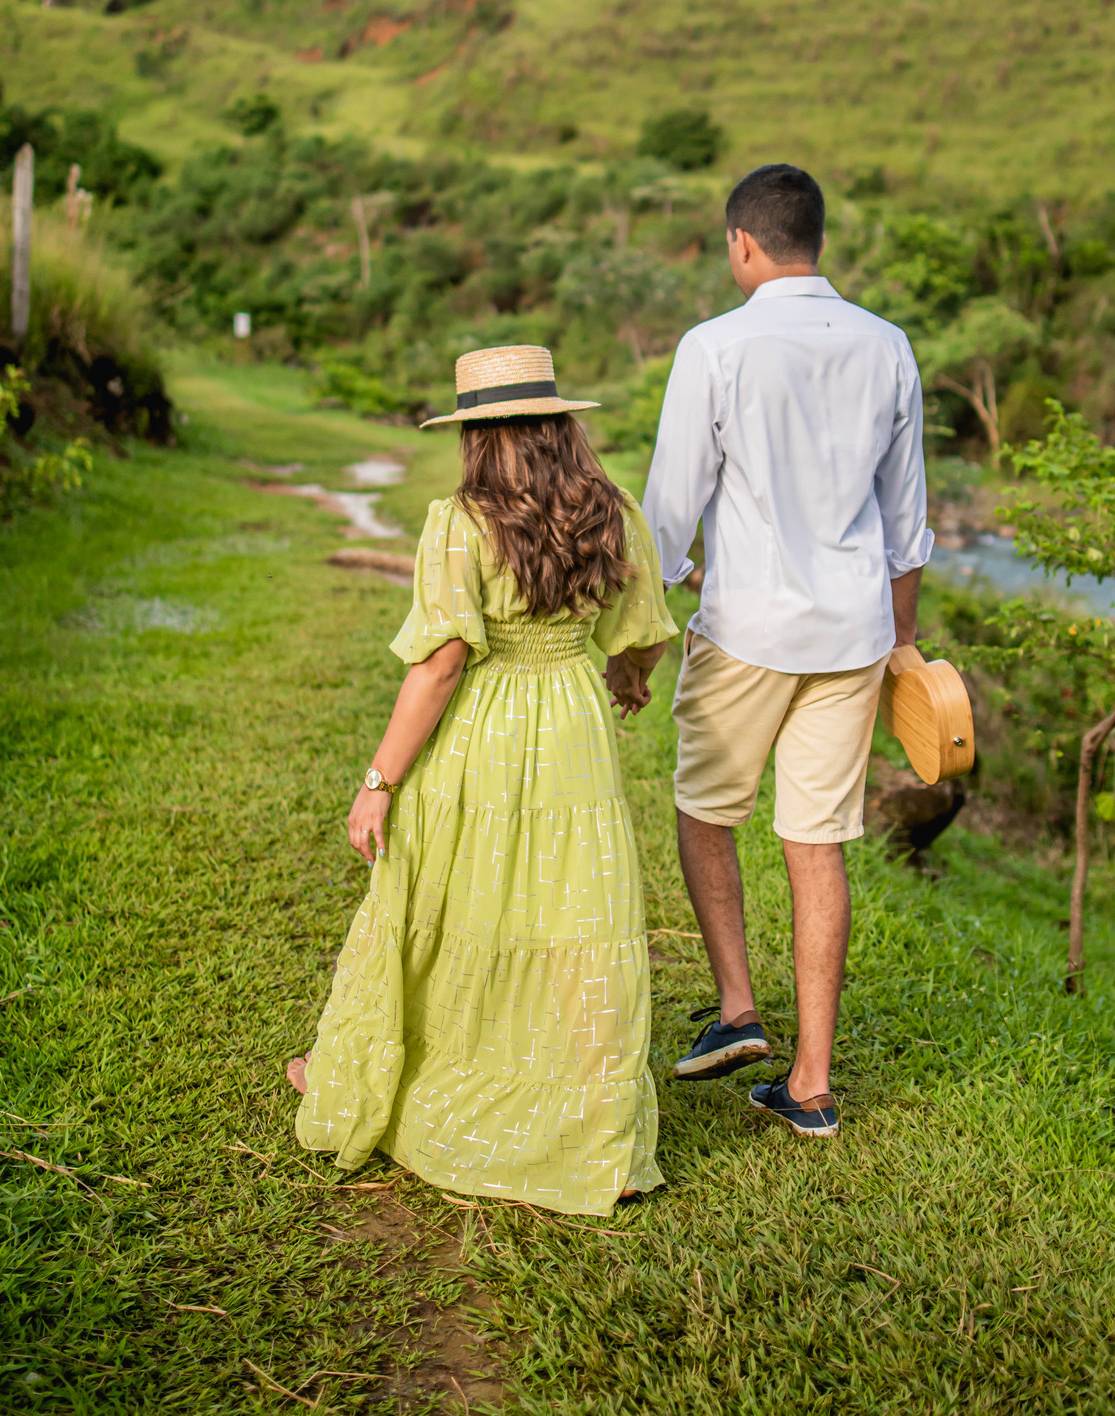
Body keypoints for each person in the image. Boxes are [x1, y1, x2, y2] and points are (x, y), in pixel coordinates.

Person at [288, 344, 676, 1214]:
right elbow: (644, 631)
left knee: (450, 899)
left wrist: (379, 779)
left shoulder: (462, 521)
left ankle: (377, 1073)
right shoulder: (612, 511)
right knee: (575, 918)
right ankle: (595, 1132)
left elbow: (442, 664)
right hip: (573, 722)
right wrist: (627, 678)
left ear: (476, 434)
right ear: (560, 424)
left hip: (483, 730)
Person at [642, 164, 932, 1138]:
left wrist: (641, 633)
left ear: (742, 243)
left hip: (747, 631)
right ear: (819, 241)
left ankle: (738, 1011)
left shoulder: (716, 346)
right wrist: (904, 646)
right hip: (854, 637)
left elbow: (671, 504)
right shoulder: (888, 346)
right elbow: (906, 523)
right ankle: (811, 1085)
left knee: (704, 810)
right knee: (817, 845)